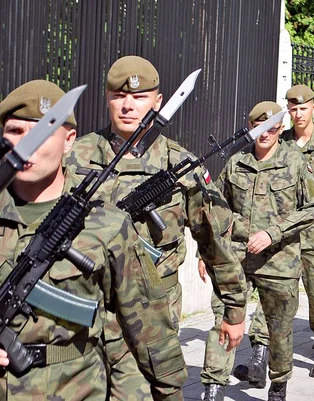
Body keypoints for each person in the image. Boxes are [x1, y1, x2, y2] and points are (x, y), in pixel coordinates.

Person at [65, 56, 247, 399]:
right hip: (84, 310)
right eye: (119, 96)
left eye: (139, 97)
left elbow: (214, 242)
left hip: (152, 317)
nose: (128, 106)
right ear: (107, 98)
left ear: (159, 102)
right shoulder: (76, 156)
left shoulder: (179, 164)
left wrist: (234, 309)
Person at [0, 79, 186, 400]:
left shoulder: (105, 224)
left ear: (69, 140)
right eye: (15, 131)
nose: (26, 144)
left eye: (42, 131)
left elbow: (151, 331)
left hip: (74, 387)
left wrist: (169, 392)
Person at [200, 101, 314, 401]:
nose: (265, 133)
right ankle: (214, 386)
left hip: (280, 262)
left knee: (279, 329)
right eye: (258, 127)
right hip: (236, 259)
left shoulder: (295, 162)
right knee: (223, 319)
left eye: (271, 127)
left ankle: (278, 385)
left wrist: (273, 233)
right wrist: (205, 254)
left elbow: (313, 208)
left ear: (280, 128)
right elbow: (215, 208)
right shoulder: (236, 163)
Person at [233, 85, 314, 380]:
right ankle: (260, 355)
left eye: (303, 108)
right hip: (280, 242)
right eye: (293, 108)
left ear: (313, 108)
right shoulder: (278, 141)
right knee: (271, 300)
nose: (298, 113)